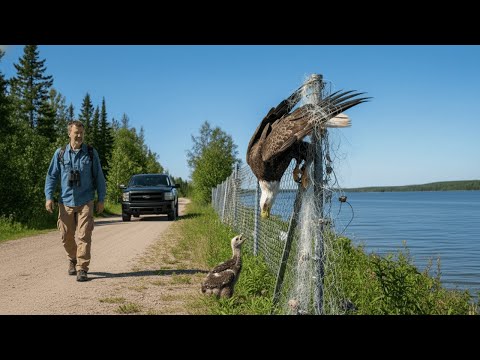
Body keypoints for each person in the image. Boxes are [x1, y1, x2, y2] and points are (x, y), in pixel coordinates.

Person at [45, 120, 106, 282]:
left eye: (81, 133)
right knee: (66, 235)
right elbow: (51, 176)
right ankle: (72, 258)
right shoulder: (60, 153)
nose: (79, 136)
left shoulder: (91, 153)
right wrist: (49, 197)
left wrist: (101, 198)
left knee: (84, 235)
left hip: (86, 200)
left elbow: (99, 177)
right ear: (69, 133)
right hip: (65, 201)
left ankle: (82, 268)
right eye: (76, 132)